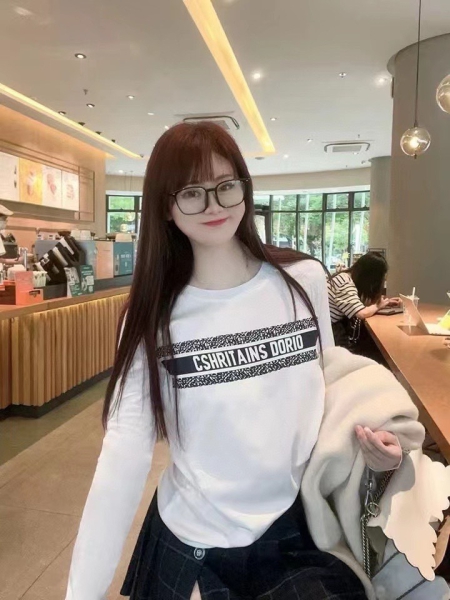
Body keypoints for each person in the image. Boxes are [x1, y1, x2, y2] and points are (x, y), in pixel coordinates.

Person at [65, 123, 402, 600]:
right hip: (192, 542)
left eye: (226, 185)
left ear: (245, 187)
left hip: (298, 530)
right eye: (191, 193)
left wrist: (374, 452)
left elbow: (331, 397)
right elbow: (123, 456)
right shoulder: (151, 319)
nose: (214, 205)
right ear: (164, 206)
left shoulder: (301, 280)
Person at [327, 252, 400, 350]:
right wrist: (378, 306)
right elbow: (362, 313)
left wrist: (384, 302)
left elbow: (357, 304)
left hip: (329, 327)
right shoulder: (344, 283)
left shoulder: (345, 277)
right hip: (330, 329)